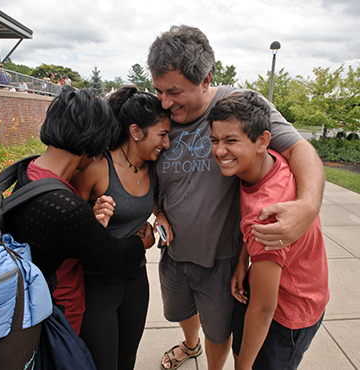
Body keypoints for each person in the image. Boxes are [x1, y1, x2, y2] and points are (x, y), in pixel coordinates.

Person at [147, 25, 325, 370]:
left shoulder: (239, 108)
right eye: (158, 90)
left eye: (174, 91)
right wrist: (155, 212)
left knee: (221, 330)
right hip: (175, 253)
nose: (165, 102)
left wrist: (308, 206)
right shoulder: (157, 115)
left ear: (205, 79)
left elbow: (300, 149)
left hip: (221, 258)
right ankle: (190, 344)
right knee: (182, 310)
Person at [4, 86, 155, 336]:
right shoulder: (64, 206)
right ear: (93, 141)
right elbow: (116, 257)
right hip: (58, 314)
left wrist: (88, 219)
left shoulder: (30, 170)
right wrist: (144, 243)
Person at [208, 91, 329, 370]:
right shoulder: (265, 162)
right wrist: (243, 260)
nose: (219, 151)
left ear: (262, 140)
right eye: (215, 140)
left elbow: (263, 310)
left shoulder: (266, 216)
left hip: (289, 310)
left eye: (231, 141)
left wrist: (243, 368)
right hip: (268, 283)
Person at [72, 85, 171, 370]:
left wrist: (161, 215)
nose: (166, 144)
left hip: (136, 279)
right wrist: (92, 219)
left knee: (127, 358)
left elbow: (153, 203)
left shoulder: (152, 167)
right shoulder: (97, 167)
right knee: (104, 364)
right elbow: (70, 224)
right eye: (162, 135)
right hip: (97, 284)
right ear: (136, 132)